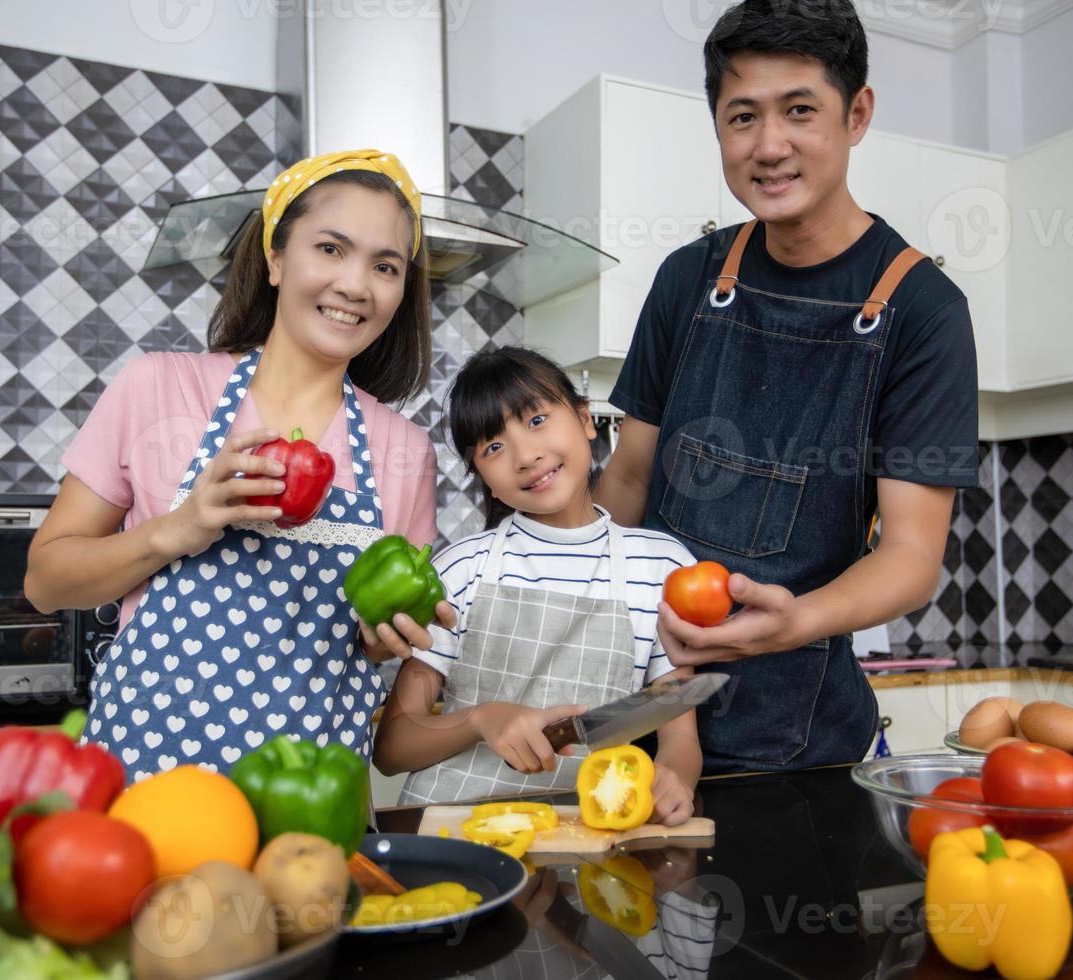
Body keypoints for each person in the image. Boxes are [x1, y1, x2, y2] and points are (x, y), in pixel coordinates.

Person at [597, 0, 980, 774]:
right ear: (717, 128)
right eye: (742, 117)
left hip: (800, 738)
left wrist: (794, 620)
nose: (769, 146)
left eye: (799, 110)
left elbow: (910, 555)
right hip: (644, 711)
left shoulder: (925, 312)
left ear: (857, 113)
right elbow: (630, 479)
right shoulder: (687, 280)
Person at [25, 149, 453, 780]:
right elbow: (46, 582)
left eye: (385, 266)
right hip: (148, 786)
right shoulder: (158, 389)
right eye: (331, 249)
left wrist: (384, 636)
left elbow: (381, 637)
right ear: (276, 258)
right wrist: (179, 527)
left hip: (308, 804)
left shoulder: (406, 450)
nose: (356, 285)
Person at [375, 346, 701, 823]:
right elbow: (393, 747)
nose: (526, 456)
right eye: (493, 447)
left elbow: (679, 738)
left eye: (536, 420)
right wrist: (481, 719)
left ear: (587, 419)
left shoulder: (661, 567)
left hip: (591, 829)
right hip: (457, 829)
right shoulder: (459, 571)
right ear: (483, 479)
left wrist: (675, 780)